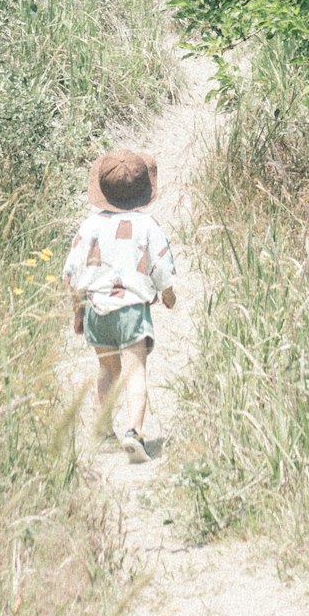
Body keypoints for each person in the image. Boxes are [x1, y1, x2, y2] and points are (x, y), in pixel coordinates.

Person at [61, 147, 180, 461]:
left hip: (97, 311)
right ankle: (134, 433)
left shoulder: (89, 227)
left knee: (107, 370)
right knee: (135, 370)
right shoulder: (148, 226)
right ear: (143, 191)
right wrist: (168, 297)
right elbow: (162, 270)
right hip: (131, 310)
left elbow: (72, 274)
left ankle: (103, 432)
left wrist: (78, 312)